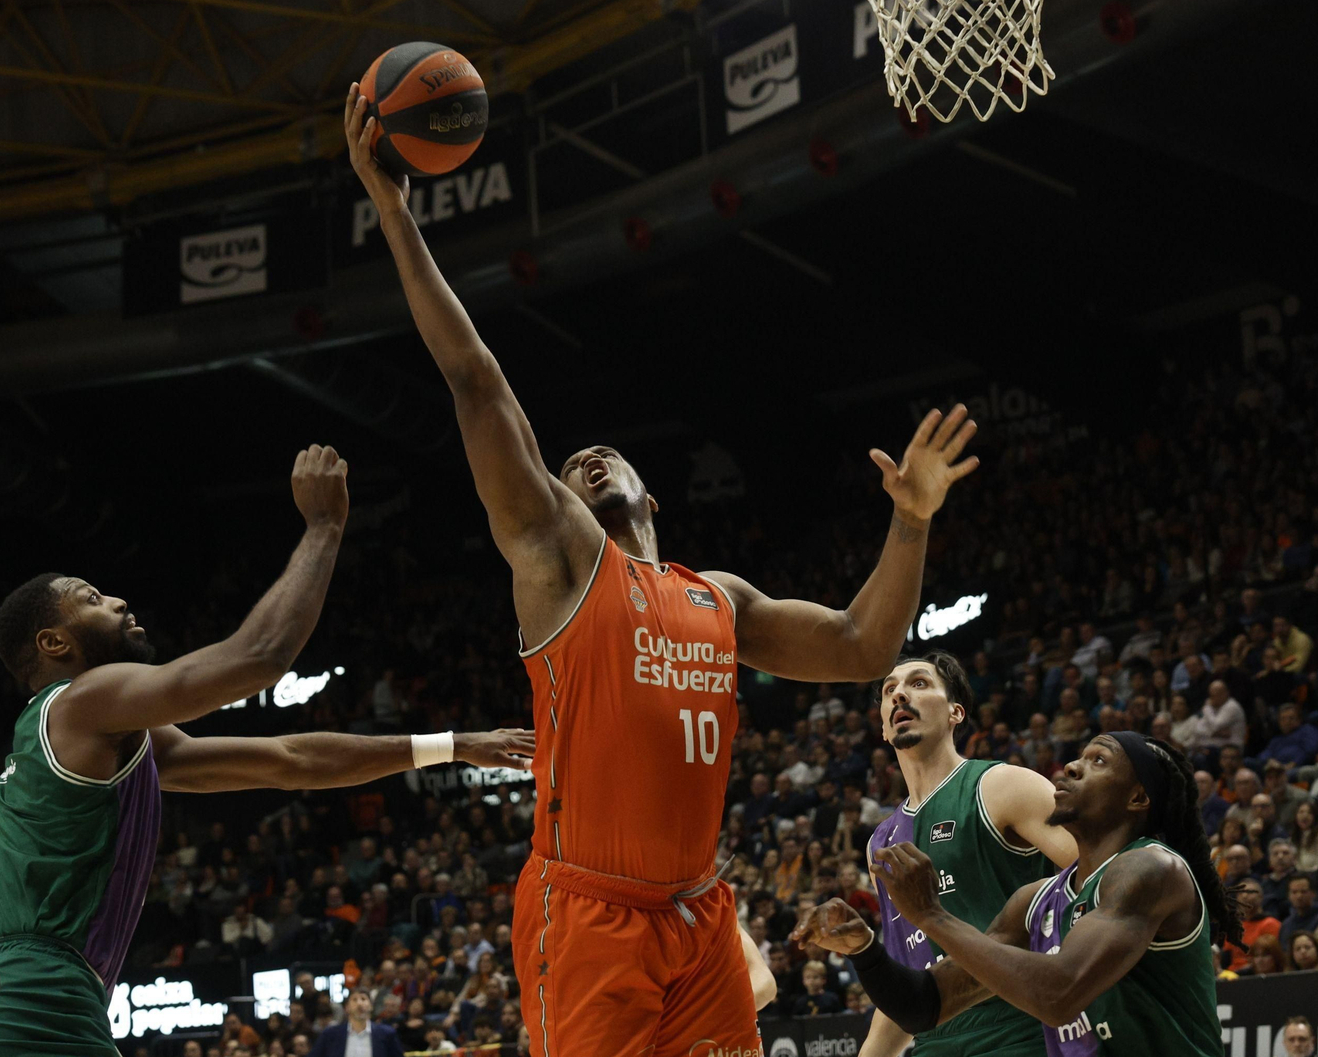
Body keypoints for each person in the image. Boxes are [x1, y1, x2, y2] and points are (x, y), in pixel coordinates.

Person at [343, 90, 979, 1057]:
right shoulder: (560, 563)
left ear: (654, 496)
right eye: (568, 466)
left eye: (605, 455)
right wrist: (394, 210)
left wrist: (911, 524)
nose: (585, 461)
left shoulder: (716, 597)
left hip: (698, 911)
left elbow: (860, 648)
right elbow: (477, 381)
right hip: (587, 915)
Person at [0, 448, 532, 1056]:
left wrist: (452, 744)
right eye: (91, 599)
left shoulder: (106, 741)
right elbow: (259, 657)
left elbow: (291, 759)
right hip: (29, 1000)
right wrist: (325, 526)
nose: (119, 600)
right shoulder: (80, 701)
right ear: (54, 642)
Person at [796, 733, 1231, 1057]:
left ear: (1138, 797)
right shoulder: (1034, 901)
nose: (1072, 767)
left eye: (1098, 760)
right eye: (1078, 757)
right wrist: (864, 950)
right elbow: (924, 1006)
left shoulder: (1150, 867)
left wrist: (931, 914)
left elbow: (1058, 995)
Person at [859, 653, 1078, 1057]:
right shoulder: (880, 843)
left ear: (955, 712)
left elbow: (1106, 872)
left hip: (1020, 1029)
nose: (900, 695)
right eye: (890, 690)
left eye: (919, 683)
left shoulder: (1002, 785)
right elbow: (908, 977)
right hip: (933, 1041)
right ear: (886, 731)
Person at [309, 990, 404, 1057]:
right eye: (354, 999)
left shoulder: (387, 1034)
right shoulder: (330, 1034)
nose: (359, 1003)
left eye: (363, 999)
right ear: (347, 1008)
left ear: (371, 1006)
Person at [1225, 877, 1280, 972]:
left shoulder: (1270, 924)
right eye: (1241, 893)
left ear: (1260, 897)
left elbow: (1271, 958)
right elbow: (1226, 957)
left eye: (1249, 892)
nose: (1244, 896)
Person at [1279, 875, 1318, 947]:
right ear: (1288, 896)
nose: (1299, 896)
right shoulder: (1286, 925)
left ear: (1313, 893)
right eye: (1294, 892)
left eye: (1303, 892)